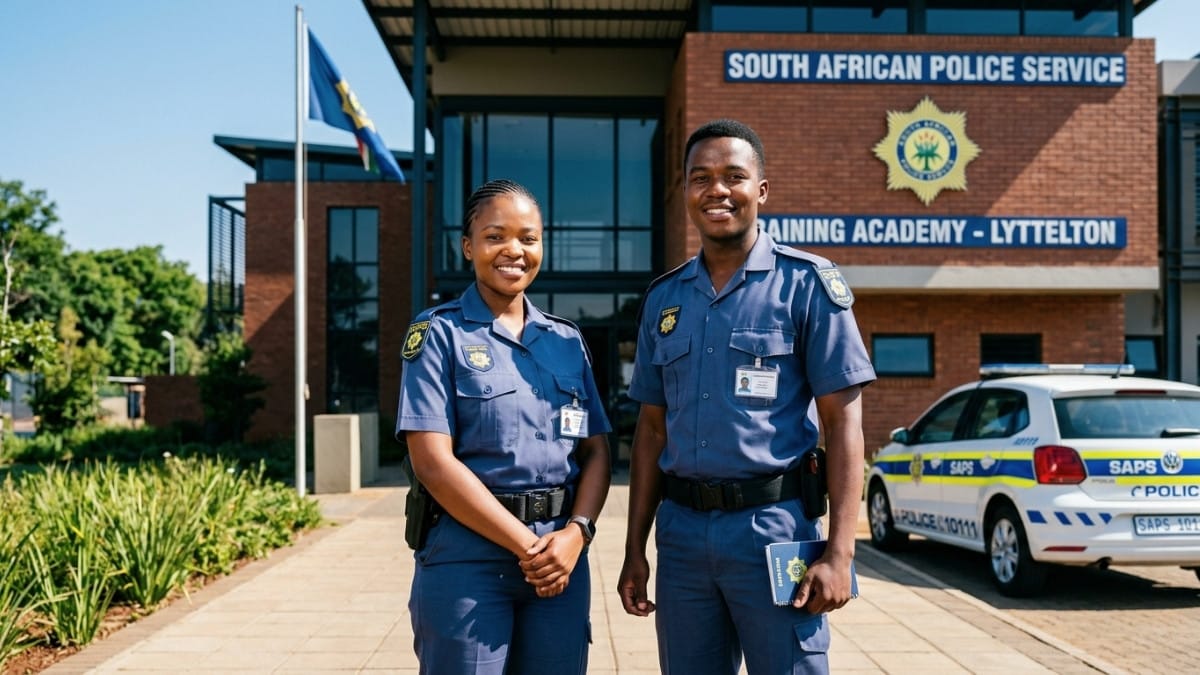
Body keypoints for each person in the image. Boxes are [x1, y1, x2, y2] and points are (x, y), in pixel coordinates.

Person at [617, 119, 876, 675]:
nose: (717, 190)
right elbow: (651, 432)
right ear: (685, 191)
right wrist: (634, 548)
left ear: (761, 190)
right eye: (700, 177)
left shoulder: (808, 285)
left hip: (774, 531)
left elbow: (844, 425)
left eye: (734, 176)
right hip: (683, 538)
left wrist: (840, 550)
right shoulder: (664, 299)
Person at [397, 178, 612, 674]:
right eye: (496, 236)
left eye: (528, 238)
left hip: (559, 561)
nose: (514, 250)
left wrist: (576, 534)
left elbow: (596, 451)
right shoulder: (437, 335)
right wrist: (528, 547)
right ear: (468, 246)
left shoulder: (566, 340)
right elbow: (431, 462)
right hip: (467, 559)